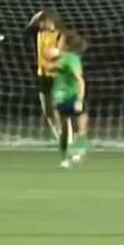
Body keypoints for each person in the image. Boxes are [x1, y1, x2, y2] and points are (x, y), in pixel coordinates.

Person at [52, 31, 89, 168]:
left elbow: (52, 69)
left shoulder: (61, 59)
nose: (57, 42)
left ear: (66, 44)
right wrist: (80, 99)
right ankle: (79, 154)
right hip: (72, 97)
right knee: (82, 127)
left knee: (64, 130)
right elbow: (80, 80)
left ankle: (64, 159)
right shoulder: (72, 59)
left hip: (59, 98)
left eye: (60, 40)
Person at [28, 9, 64, 139]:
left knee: (58, 108)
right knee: (47, 111)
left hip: (56, 76)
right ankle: (59, 136)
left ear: (51, 20)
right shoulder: (39, 33)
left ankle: (66, 136)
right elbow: (27, 29)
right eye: (40, 21)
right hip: (42, 76)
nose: (40, 23)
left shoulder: (60, 35)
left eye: (43, 20)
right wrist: (37, 16)